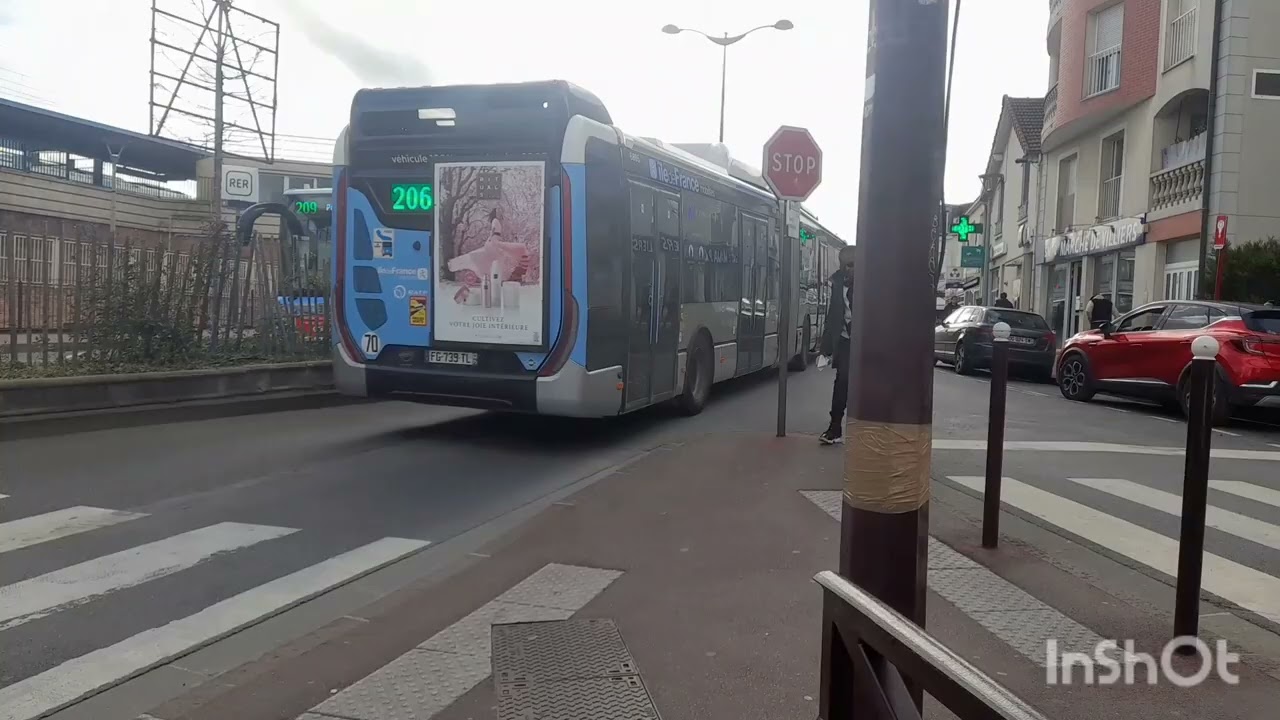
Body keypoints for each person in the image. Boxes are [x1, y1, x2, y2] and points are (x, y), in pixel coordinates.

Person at [819, 245, 858, 445]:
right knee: (841, 381)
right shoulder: (838, 283)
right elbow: (833, 316)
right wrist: (824, 351)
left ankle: (863, 430)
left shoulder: (870, 284)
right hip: (844, 340)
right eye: (846, 266)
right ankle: (834, 427)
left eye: (853, 265)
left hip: (864, 342)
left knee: (861, 385)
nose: (849, 270)